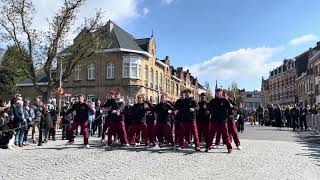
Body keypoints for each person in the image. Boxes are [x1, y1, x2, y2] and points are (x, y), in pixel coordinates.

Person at [206, 88, 232, 153]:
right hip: (214, 120)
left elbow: (230, 110)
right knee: (211, 134)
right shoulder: (213, 101)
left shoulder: (225, 101)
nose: (217, 93)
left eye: (219, 92)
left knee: (226, 134)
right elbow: (208, 108)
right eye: (216, 92)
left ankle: (229, 148)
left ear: (221, 93)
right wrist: (209, 111)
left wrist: (229, 116)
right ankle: (207, 147)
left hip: (223, 120)